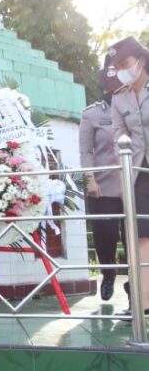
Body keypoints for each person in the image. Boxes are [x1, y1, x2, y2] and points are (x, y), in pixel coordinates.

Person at [107, 36, 149, 317]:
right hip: (138, 173)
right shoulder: (119, 96)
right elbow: (117, 135)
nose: (122, 69)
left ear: (141, 62)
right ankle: (143, 306)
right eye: (117, 65)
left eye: (126, 63)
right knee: (142, 239)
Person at [79, 66, 124, 301]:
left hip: (133, 185)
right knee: (105, 235)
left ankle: (135, 285)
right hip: (103, 187)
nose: (113, 89)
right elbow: (86, 151)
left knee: (137, 238)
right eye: (109, 85)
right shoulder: (92, 115)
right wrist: (90, 180)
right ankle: (108, 273)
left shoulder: (135, 110)